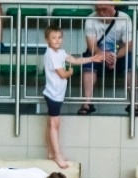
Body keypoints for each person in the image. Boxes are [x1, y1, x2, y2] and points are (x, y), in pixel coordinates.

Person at [43, 25, 104, 169]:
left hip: (57, 94)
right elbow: (63, 74)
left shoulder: (60, 52)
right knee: (54, 124)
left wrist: (92, 58)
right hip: (53, 94)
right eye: (53, 38)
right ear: (47, 40)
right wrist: (70, 72)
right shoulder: (51, 54)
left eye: (59, 37)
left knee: (52, 123)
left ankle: (51, 153)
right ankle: (57, 155)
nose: (57, 41)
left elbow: (75, 60)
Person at [78, 3, 138, 115]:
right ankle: (86, 103)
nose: (101, 13)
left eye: (104, 9)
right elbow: (91, 46)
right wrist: (104, 55)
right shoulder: (91, 19)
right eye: (98, 9)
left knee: (130, 62)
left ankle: (134, 104)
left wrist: (114, 56)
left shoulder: (124, 18)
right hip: (98, 55)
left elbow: (128, 46)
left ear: (113, 6)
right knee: (88, 61)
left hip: (118, 56)